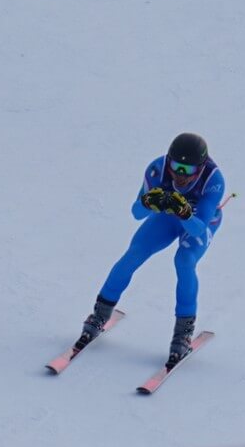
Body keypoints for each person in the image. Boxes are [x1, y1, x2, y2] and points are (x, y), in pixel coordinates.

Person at [77, 133, 227, 366]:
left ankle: (183, 334)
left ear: (200, 167)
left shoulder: (213, 179)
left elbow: (199, 229)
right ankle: (99, 315)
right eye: (176, 167)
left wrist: (185, 213)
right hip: (167, 217)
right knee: (133, 255)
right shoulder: (158, 169)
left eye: (188, 170)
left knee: (184, 261)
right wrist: (148, 203)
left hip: (198, 223)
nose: (180, 175)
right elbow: (136, 213)